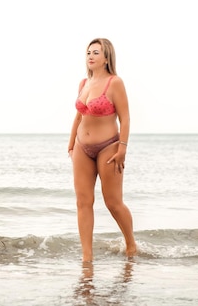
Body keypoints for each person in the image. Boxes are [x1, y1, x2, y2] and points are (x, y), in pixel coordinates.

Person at [68, 38, 137, 261]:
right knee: (83, 201)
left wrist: (123, 148)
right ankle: (87, 258)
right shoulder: (83, 84)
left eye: (96, 52)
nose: (90, 56)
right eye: (88, 52)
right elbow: (79, 116)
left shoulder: (115, 82)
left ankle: (131, 244)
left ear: (106, 57)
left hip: (109, 147)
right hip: (82, 148)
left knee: (113, 203)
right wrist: (71, 145)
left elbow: (125, 118)